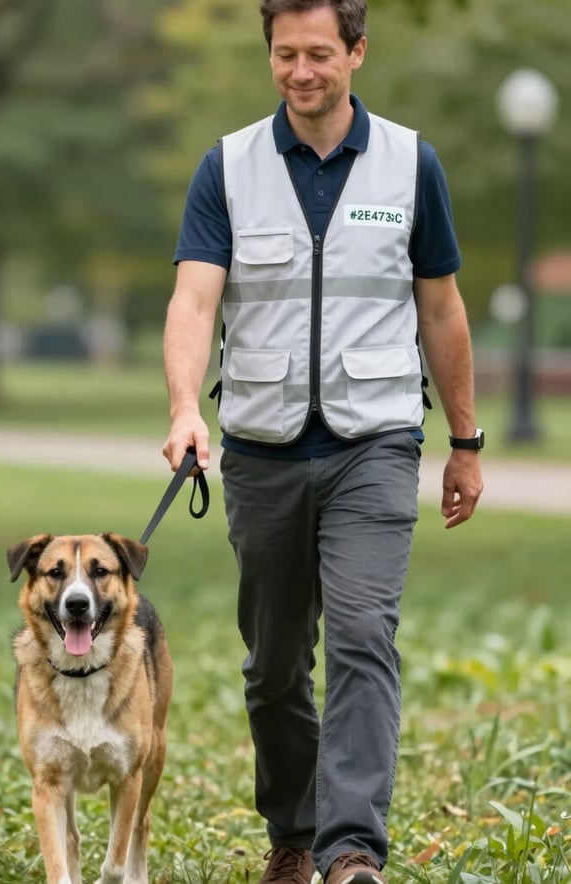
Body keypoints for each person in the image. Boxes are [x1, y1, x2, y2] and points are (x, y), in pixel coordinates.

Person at [162, 0, 484, 882]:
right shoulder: (226, 168)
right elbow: (194, 302)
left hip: (373, 442)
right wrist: (186, 406)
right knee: (272, 667)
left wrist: (466, 439)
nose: (301, 71)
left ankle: (351, 854)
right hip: (261, 449)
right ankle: (294, 836)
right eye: (283, 54)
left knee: (361, 637)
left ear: (357, 52)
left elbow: (442, 308)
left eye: (318, 54)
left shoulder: (411, 163)